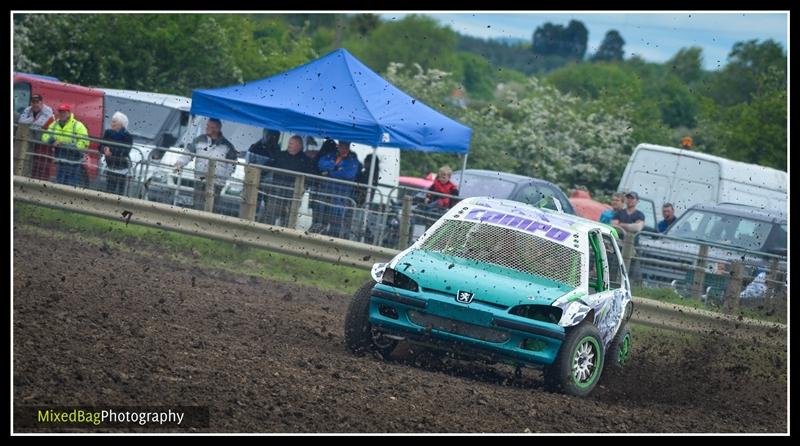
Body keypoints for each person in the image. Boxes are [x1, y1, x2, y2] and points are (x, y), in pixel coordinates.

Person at [174, 118, 237, 213]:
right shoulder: (198, 140)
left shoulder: (227, 146)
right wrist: (179, 163)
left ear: (217, 129)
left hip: (217, 183)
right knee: (197, 206)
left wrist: (224, 178)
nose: (206, 128)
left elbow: (232, 165)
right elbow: (187, 154)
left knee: (212, 208)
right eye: (207, 126)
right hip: (200, 180)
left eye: (210, 127)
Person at [262, 135, 315, 226]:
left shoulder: (306, 160)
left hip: (294, 194)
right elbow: (265, 167)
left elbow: (311, 177)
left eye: (291, 143)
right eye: (289, 143)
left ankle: (285, 237)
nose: (289, 145)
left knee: (289, 219)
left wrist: (304, 188)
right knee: (270, 215)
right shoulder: (280, 155)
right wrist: (260, 176)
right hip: (276, 192)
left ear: (299, 146)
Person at [314, 140, 361, 237]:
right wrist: (336, 167)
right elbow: (321, 164)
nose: (343, 148)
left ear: (348, 146)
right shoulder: (330, 155)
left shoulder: (352, 159)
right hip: (325, 194)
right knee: (319, 223)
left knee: (335, 227)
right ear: (338, 145)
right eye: (341, 146)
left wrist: (329, 172)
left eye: (345, 146)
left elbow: (348, 174)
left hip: (340, 198)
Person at [41, 103, 89, 187]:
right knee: (60, 181)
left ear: (69, 113)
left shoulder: (78, 125)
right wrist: (52, 141)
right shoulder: (54, 124)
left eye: (64, 112)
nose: (62, 114)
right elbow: (44, 136)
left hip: (74, 159)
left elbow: (85, 142)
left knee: (71, 183)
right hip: (60, 157)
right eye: (60, 112)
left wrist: (68, 146)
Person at [19, 94, 55, 180]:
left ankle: (42, 184)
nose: (35, 104)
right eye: (33, 102)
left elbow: (39, 124)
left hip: (46, 142)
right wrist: (32, 120)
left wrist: (29, 122)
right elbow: (21, 121)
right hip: (33, 140)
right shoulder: (28, 109)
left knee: (43, 165)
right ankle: (30, 180)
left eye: (37, 102)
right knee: (32, 163)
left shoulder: (48, 110)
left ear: (42, 103)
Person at [100, 112, 134, 195]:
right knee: (109, 188)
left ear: (121, 124)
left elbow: (126, 151)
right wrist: (105, 149)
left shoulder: (128, 136)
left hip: (122, 166)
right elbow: (101, 145)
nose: (112, 123)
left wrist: (110, 150)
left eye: (114, 122)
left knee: (120, 190)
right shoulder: (108, 132)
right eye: (112, 121)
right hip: (110, 165)